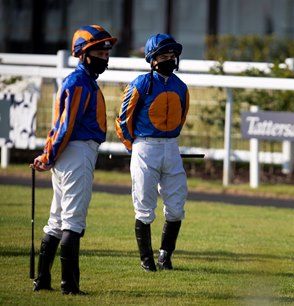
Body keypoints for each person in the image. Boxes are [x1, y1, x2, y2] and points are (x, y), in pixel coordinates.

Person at [30, 25, 117, 294]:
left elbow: (61, 127)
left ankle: (43, 280)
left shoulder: (84, 81)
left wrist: (49, 155)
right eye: (99, 51)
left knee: (57, 220)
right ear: (83, 54)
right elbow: (65, 126)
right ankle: (69, 286)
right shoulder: (79, 82)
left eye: (106, 51)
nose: (105, 56)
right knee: (72, 221)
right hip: (76, 153)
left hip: (72, 153)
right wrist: (48, 155)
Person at [115, 33, 190, 272]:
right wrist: (133, 146)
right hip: (145, 147)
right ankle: (146, 259)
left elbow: (182, 117)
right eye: (164, 56)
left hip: (171, 147)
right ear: (152, 59)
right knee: (145, 207)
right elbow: (123, 119)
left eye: (172, 56)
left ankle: (165, 256)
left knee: (176, 208)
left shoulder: (181, 87)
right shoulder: (140, 84)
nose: (169, 60)